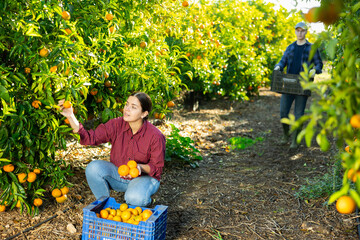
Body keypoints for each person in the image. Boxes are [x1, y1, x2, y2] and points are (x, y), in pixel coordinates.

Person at [58, 92, 166, 207]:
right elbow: (89, 138)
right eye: (126, 104)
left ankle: (143, 198)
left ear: (144, 114)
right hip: (120, 175)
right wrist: (70, 116)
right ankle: (106, 207)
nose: (127, 109)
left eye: (133, 107)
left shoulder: (155, 136)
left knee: (135, 198)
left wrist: (139, 167)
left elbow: (157, 168)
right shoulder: (116, 124)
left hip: (144, 178)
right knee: (93, 168)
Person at [274, 22, 323, 149]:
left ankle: (295, 140)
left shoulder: (312, 48)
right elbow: (282, 60)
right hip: (289, 84)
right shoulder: (290, 47)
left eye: (302, 31)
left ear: (306, 32)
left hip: (303, 85)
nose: (300, 33)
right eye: (298, 30)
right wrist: (278, 66)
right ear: (295, 31)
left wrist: (315, 70)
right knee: (283, 113)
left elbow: (319, 64)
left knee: (299, 114)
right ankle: (285, 135)